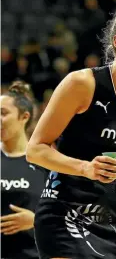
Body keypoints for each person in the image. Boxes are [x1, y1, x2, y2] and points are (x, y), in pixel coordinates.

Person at [26, 4, 116, 259]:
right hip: (63, 212)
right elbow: (35, 150)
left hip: (108, 221)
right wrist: (85, 168)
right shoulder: (81, 83)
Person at [1, 81, 47, 259]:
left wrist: (36, 221)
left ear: (24, 117)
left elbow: (68, 215)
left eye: (3, 113)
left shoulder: (46, 163)